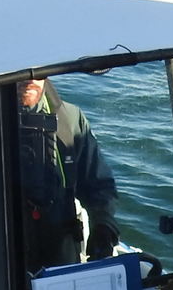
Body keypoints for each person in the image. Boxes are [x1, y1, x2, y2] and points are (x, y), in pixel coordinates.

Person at [18, 77, 120, 269]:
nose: (30, 77)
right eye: (20, 67)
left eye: (38, 68)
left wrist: (104, 226)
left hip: (61, 262)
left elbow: (98, 185)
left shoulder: (70, 120)